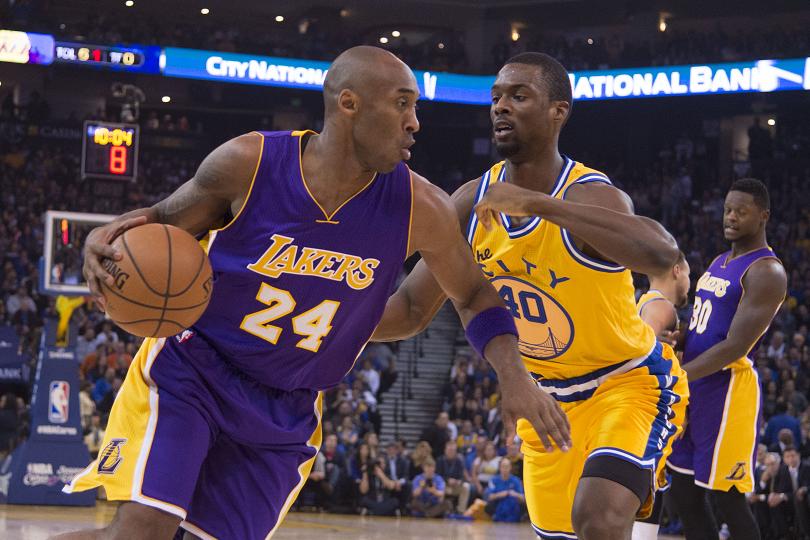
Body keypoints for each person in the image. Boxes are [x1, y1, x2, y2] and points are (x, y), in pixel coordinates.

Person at [60, 46, 568, 540]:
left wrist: (515, 376)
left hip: (288, 406)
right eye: (402, 104)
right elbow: (156, 228)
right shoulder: (247, 163)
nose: (414, 122)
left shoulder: (421, 207)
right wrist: (97, 242)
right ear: (349, 104)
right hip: (193, 371)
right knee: (143, 532)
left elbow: (467, 297)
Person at [373, 52, 688, 539]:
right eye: (496, 97)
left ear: (558, 111)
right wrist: (327, 314)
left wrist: (538, 204)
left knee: (597, 520)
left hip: (626, 385)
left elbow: (660, 254)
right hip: (543, 400)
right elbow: (411, 310)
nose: (501, 107)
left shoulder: (589, 194)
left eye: (519, 96)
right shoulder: (467, 202)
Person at [668, 178, 788, 540]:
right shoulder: (721, 261)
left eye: (741, 212)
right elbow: (707, 324)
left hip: (728, 390)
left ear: (763, 216)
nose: (731, 217)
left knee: (727, 497)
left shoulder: (767, 271)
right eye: (727, 210)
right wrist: (682, 335)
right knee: (684, 494)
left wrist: (679, 376)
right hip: (696, 386)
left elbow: (736, 344)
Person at [632, 252, 691, 540]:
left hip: (643, 408)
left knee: (649, 485)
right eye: (690, 275)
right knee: (645, 486)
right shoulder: (661, 307)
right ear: (677, 271)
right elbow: (642, 354)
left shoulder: (646, 302)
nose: (689, 284)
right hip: (648, 407)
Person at [482, 455, 526, 522]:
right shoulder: (494, 480)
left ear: (510, 467)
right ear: (500, 468)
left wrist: (514, 494)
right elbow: (489, 497)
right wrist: (501, 494)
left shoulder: (516, 480)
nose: (505, 469)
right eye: (503, 466)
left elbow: (523, 498)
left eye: (507, 467)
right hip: (498, 507)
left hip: (513, 508)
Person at [436, 440, 471, 513]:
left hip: (455, 486)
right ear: (445, 450)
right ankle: (438, 510)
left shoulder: (459, 461)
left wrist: (459, 481)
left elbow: (462, 476)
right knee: (441, 485)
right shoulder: (440, 460)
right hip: (443, 486)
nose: (451, 452)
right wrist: (447, 480)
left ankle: (461, 511)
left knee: (466, 487)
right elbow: (437, 476)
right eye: (449, 450)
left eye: (453, 450)